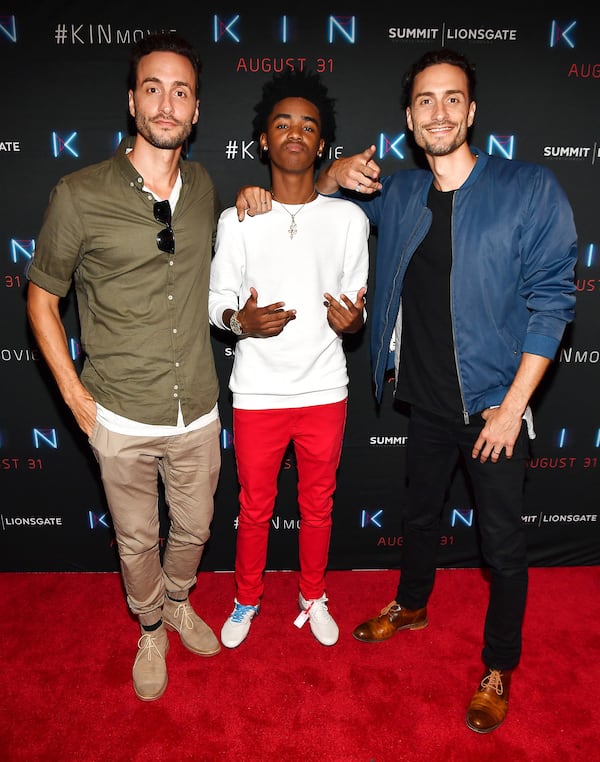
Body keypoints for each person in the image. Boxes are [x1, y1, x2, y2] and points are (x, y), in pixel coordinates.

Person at [235, 49, 577, 732]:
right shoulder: (396, 194)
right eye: (425, 101)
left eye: (452, 99)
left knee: (503, 550)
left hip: (492, 411)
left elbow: (553, 302)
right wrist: (324, 172)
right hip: (423, 403)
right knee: (419, 520)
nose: (439, 112)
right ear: (409, 119)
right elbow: (314, 196)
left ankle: (498, 666)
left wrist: (513, 409)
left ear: (472, 112)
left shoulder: (527, 188)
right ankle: (412, 604)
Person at [26, 32, 222, 702]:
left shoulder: (205, 188)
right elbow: (42, 299)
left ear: (196, 110)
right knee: (136, 540)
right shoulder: (78, 194)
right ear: (131, 101)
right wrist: (79, 402)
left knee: (193, 528)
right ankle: (149, 627)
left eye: (181, 91)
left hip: (197, 405)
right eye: (153, 88)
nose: (167, 103)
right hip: (118, 410)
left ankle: (177, 600)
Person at [209, 69, 369, 649]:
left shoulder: (350, 220)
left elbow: (356, 301)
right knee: (253, 507)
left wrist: (356, 323)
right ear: (263, 142)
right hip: (256, 392)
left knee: (318, 505)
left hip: (325, 389)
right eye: (283, 123)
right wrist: (237, 322)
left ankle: (312, 594)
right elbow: (216, 302)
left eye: (308, 125)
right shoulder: (238, 219)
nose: (296, 133)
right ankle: (246, 600)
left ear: (323, 145)